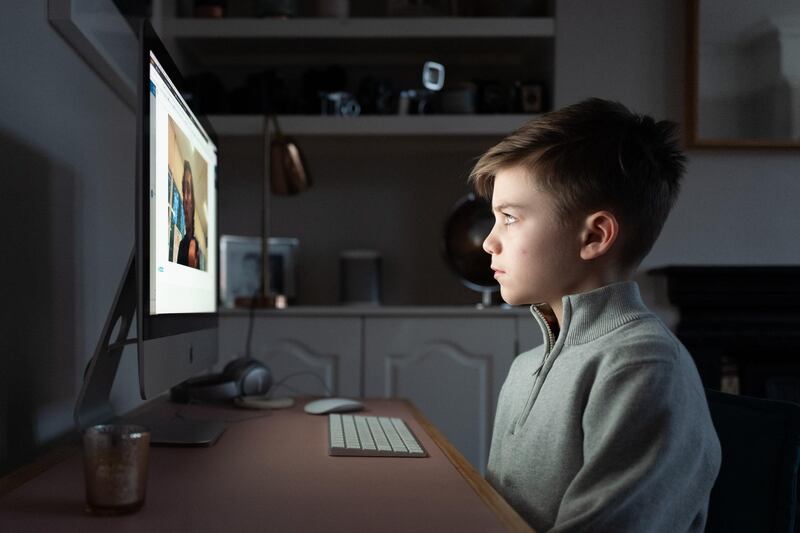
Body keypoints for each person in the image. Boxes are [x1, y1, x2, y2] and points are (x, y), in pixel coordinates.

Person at [470, 98, 721, 532]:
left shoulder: (642, 367)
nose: (489, 242)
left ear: (595, 236)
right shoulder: (525, 367)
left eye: (509, 218)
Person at [177, 160, 199, 269]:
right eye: (183, 190)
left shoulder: (195, 245)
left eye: (188, 190)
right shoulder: (182, 245)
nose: (185, 198)